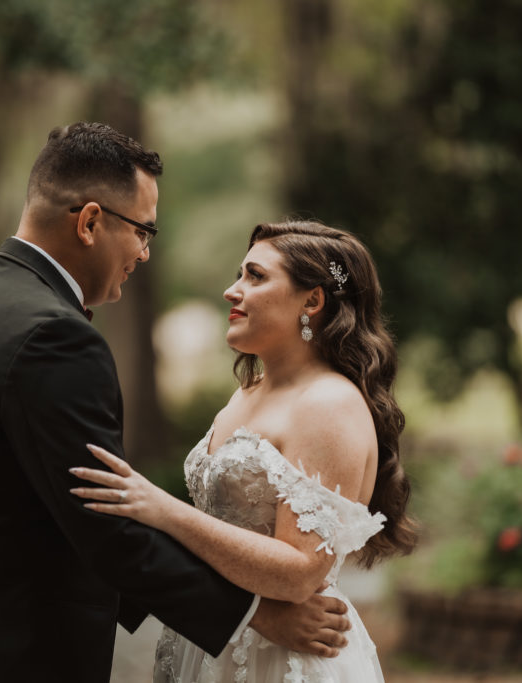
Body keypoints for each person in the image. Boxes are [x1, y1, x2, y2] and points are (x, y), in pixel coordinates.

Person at [0, 125, 353, 683]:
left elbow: (58, 512)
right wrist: (257, 616)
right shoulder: (53, 337)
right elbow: (106, 523)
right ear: (89, 222)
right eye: (142, 230)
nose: (146, 252)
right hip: (8, 658)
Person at [71, 220, 418, 682]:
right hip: (213, 640)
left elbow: (299, 573)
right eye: (240, 274)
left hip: (281, 658)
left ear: (312, 300)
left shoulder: (327, 404)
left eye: (255, 276)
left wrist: (163, 510)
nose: (232, 291)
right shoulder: (247, 392)